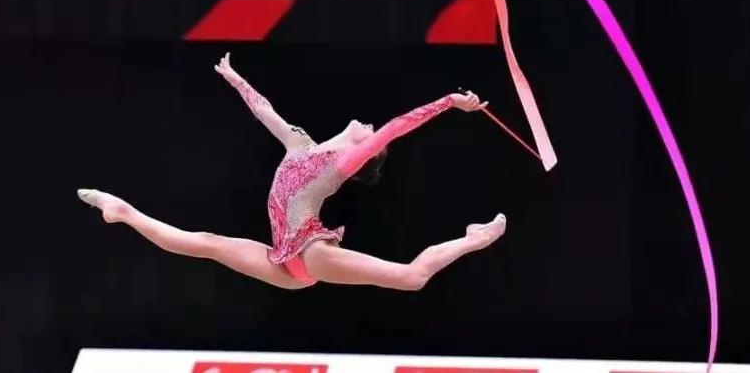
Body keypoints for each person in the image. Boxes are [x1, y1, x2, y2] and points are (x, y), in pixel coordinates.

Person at [78, 53, 507, 291]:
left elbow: (396, 127)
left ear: (367, 153)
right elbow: (265, 112)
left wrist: (449, 102)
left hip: (310, 251)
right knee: (206, 243)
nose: (370, 126)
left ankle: (475, 239)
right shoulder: (299, 143)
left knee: (410, 278)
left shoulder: (342, 164)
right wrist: (235, 78)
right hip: (281, 259)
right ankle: (122, 211)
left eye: (373, 135)